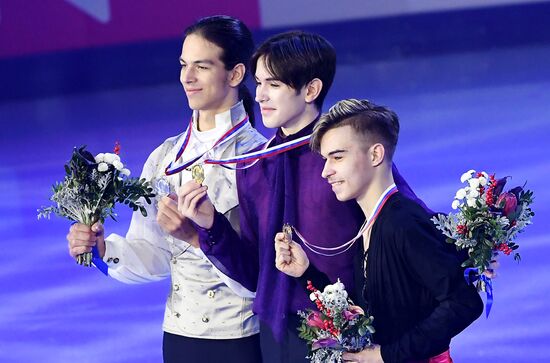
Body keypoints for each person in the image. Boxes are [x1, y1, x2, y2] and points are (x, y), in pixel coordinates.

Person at [177, 32, 427, 363]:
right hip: (278, 335)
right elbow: (255, 272)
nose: (261, 96)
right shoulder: (254, 165)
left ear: (310, 89)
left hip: (348, 328)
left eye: (274, 85)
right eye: (259, 83)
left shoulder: (344, 157)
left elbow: (405, 217)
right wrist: (211, 224)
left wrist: (463, 259)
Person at [66, 15, 266, 363]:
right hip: (178, 336)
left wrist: (196, 236)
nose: (186, 78)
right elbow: (154, 254)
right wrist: (101, 249)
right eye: (183, 65)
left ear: (235, 74)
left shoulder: (260, 158)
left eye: (201, 66)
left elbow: (261, 274)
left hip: (243, 337)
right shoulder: (164, 157)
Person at [275, 99, 484, 363]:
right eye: (326, 159)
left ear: (375, 154)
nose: (326, 171)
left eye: (337, 157)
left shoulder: (403, 223)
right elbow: (367, 316)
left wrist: (387, 355)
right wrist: (307, 273)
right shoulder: (369, 224)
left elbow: (464, 303)